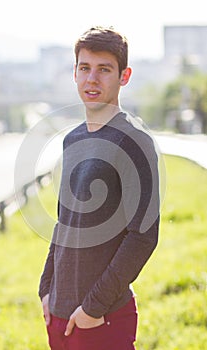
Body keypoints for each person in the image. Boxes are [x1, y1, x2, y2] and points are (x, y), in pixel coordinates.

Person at [39, 26, 160, 350]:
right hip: (60, 315)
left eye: (104, 69)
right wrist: (46, 289)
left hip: (101, 317)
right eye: (84, 68)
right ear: (75, 73)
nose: (92, 79)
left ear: (124, 75)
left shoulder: (134, 141)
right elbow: (63, 221)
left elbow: (143, 235)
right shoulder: (72, 139)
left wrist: (92, 308)